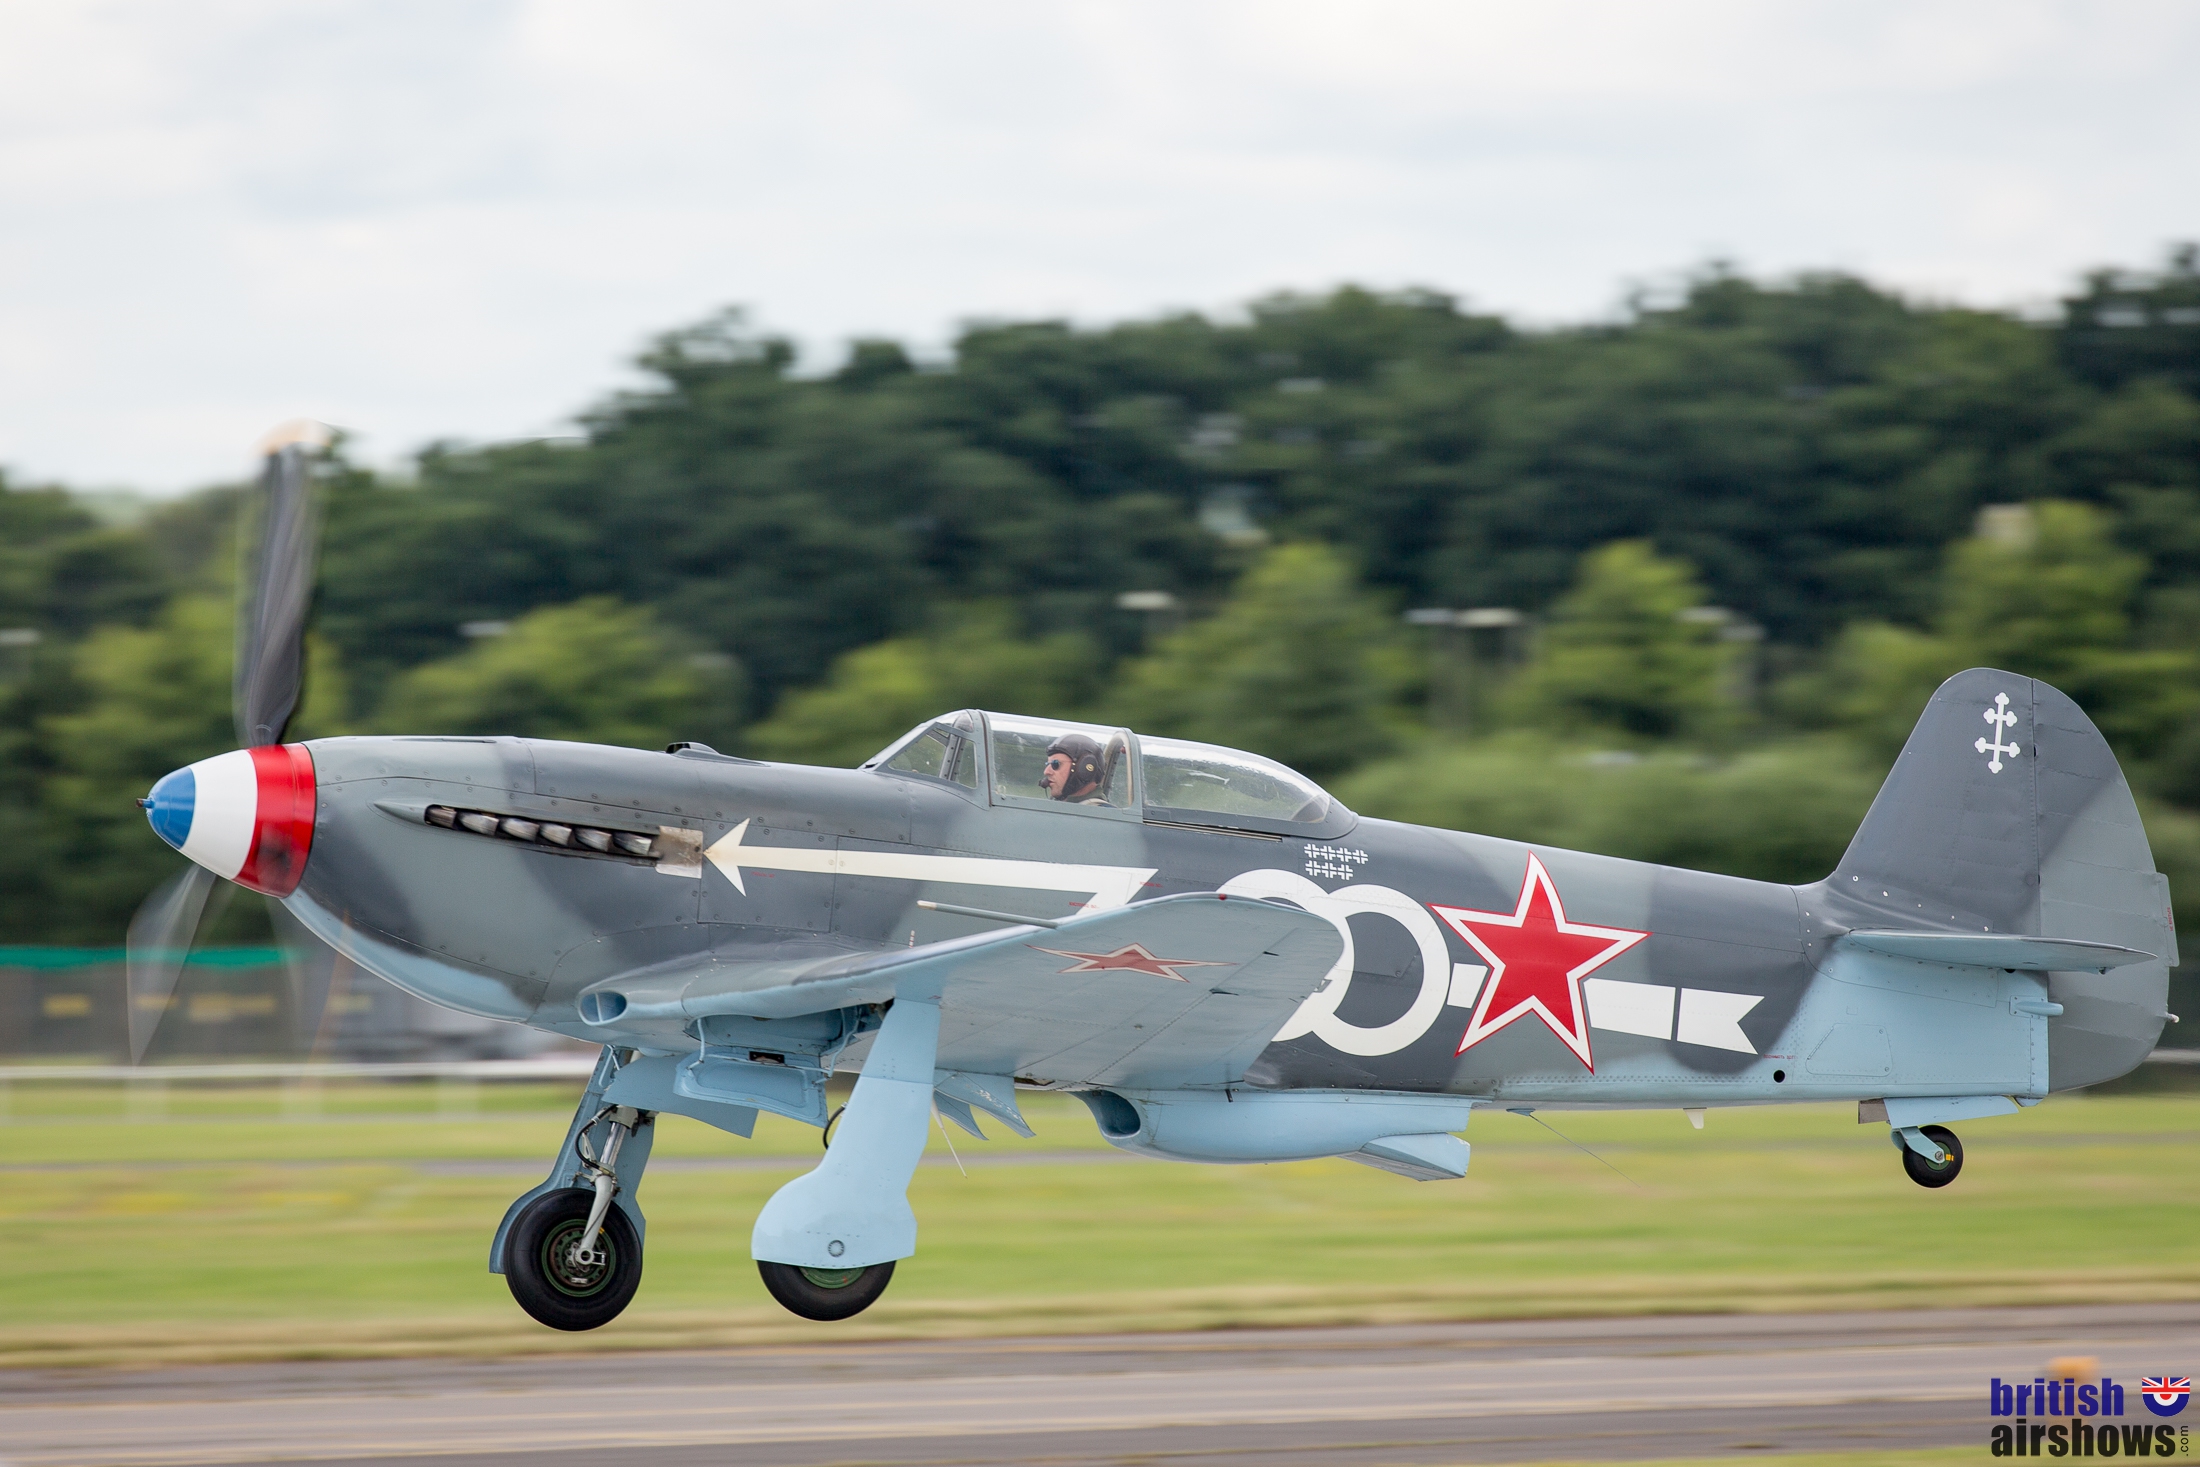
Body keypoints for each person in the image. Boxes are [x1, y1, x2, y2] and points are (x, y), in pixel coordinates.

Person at [1040, 733, 1111, 805]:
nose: (1046, 771)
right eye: (1047, 764)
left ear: (1084, 769)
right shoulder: (1053, 808)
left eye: (1055, 764)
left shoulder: (1102, 811)